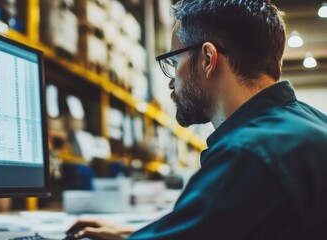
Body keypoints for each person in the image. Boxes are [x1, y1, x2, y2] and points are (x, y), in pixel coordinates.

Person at [67, 0, 327, 239]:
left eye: (174, 60)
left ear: (207, 59)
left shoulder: (249, 153)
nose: (171, 81)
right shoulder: (307, 126)